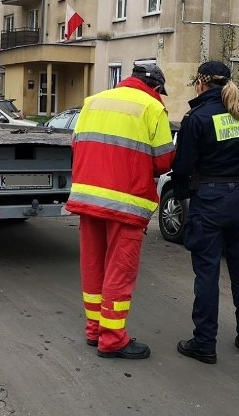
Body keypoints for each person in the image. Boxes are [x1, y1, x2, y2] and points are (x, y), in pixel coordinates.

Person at [66, 63, 175, 360]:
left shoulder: (93, 102)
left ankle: (94, 330)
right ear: (155, 88)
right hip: (126, 202)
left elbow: (77, 144)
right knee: (119, 270)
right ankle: (112, 339)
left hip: (89, 199)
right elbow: (164, 161)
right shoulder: (152, 108)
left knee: (93, 265)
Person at [171, 61, 239, 365]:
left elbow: (182, 167)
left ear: (201, 83)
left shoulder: (197, 117)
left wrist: (185, 189)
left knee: (208, 275)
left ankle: (204, 344)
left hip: (210, 202)